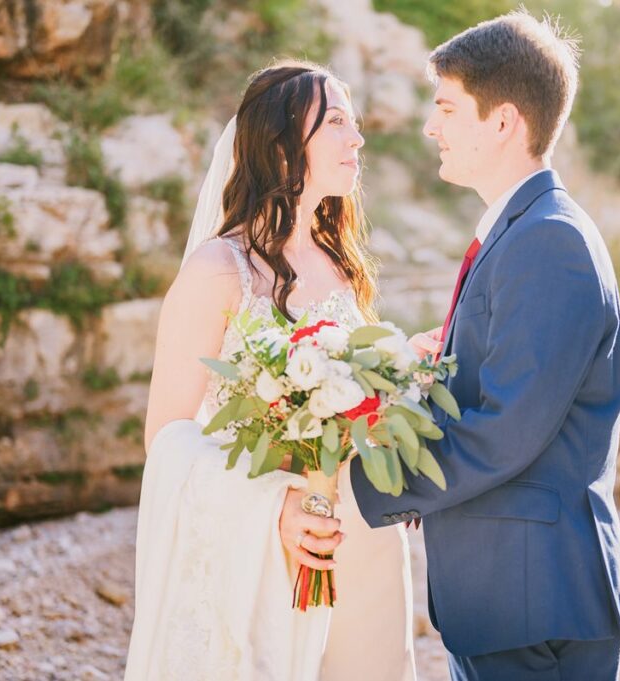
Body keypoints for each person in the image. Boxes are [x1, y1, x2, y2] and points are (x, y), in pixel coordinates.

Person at [353, 11, 620, 681]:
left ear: (503, 122)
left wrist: (365, 478)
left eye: (446, 106)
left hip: (533, 604)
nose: (430, 126)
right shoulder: (526, 230)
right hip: (509, 598)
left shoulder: (548, 241)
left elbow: (508, 429)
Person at [125, 60, 415, 681]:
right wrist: (268, 509)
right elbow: (167, 437)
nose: (357, 138)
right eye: (337, 121)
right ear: (284, 146)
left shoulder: (344, 267)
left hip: (362, 537)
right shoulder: (216, 270)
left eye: (355, 122)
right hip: (268, 544)